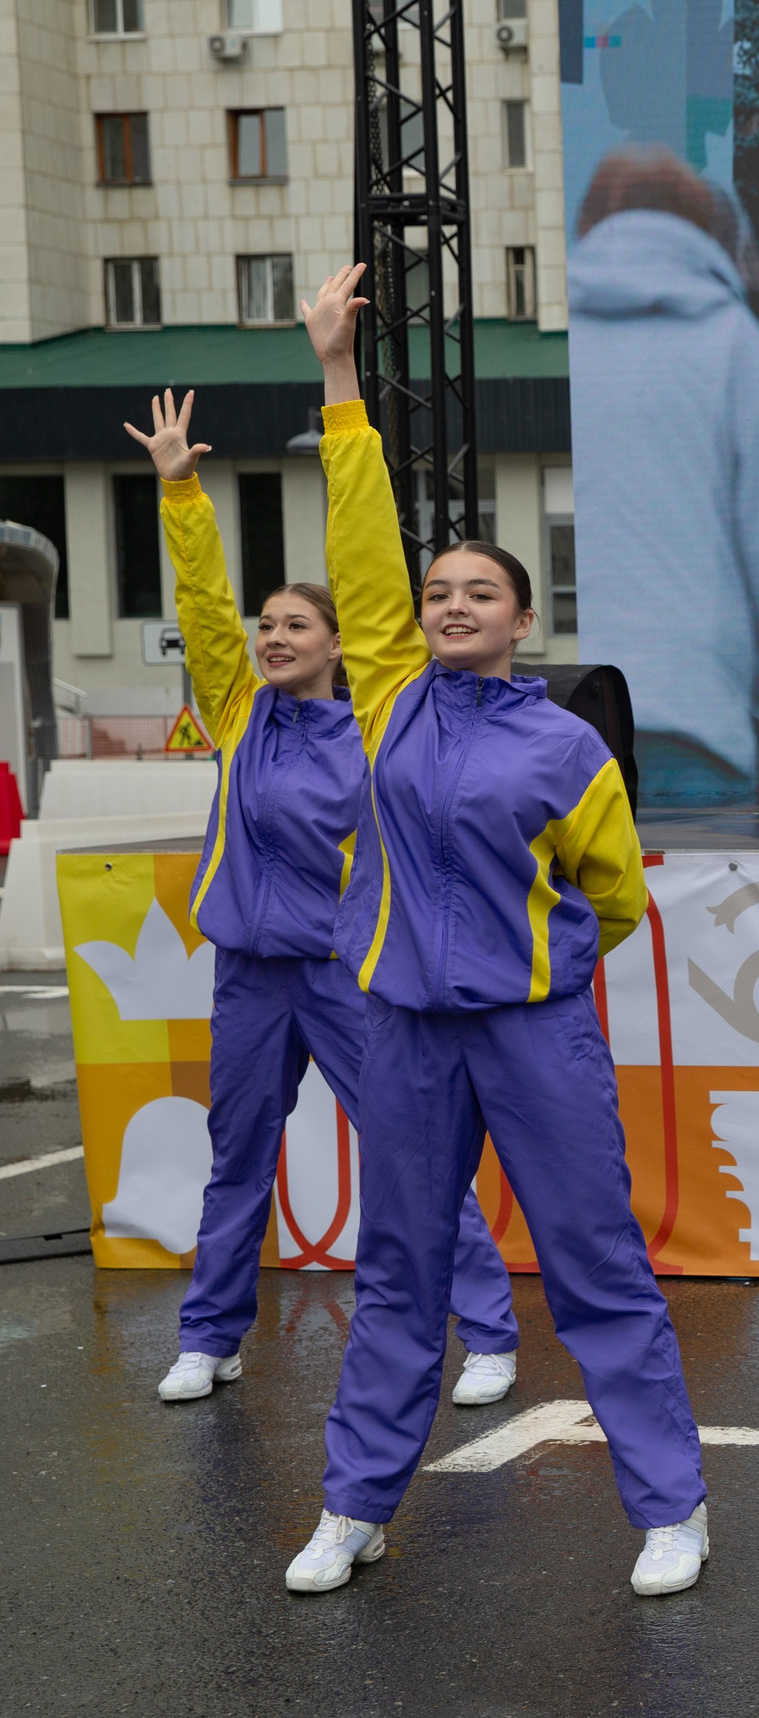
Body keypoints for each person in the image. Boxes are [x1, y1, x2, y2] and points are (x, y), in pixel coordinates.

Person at [284, 263, 712, 1599]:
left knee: (595, 1269)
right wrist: (339, 377)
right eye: (439, 589)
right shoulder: (391, 706)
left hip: (531, 1035)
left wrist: (543, 970)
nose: (452, 600)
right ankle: (354, 1506)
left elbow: (617, 893)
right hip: (404, 1030)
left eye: (481, 591)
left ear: (525, 619)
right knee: (401, 1275)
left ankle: (672, 1506)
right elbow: (359, 538)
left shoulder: (564, 742)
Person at [124, 390, 519, 1414]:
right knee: (236, 1159)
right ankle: (210, 1337)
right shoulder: (237, 712)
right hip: (250, 975)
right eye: (267, 625)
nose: (270, 636)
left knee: (408, 1148)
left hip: (345, 972)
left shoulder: (376, 732)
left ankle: (487, 1331)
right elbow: (202, 606)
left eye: (295, 623)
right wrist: (180, 489)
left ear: (339, 645)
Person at [569, 145, 759, 806]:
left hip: (559, 718)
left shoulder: (561, 337)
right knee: (699, 912)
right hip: (698, 708)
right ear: (701, 228)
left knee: (566, 913)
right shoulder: (733, 338)